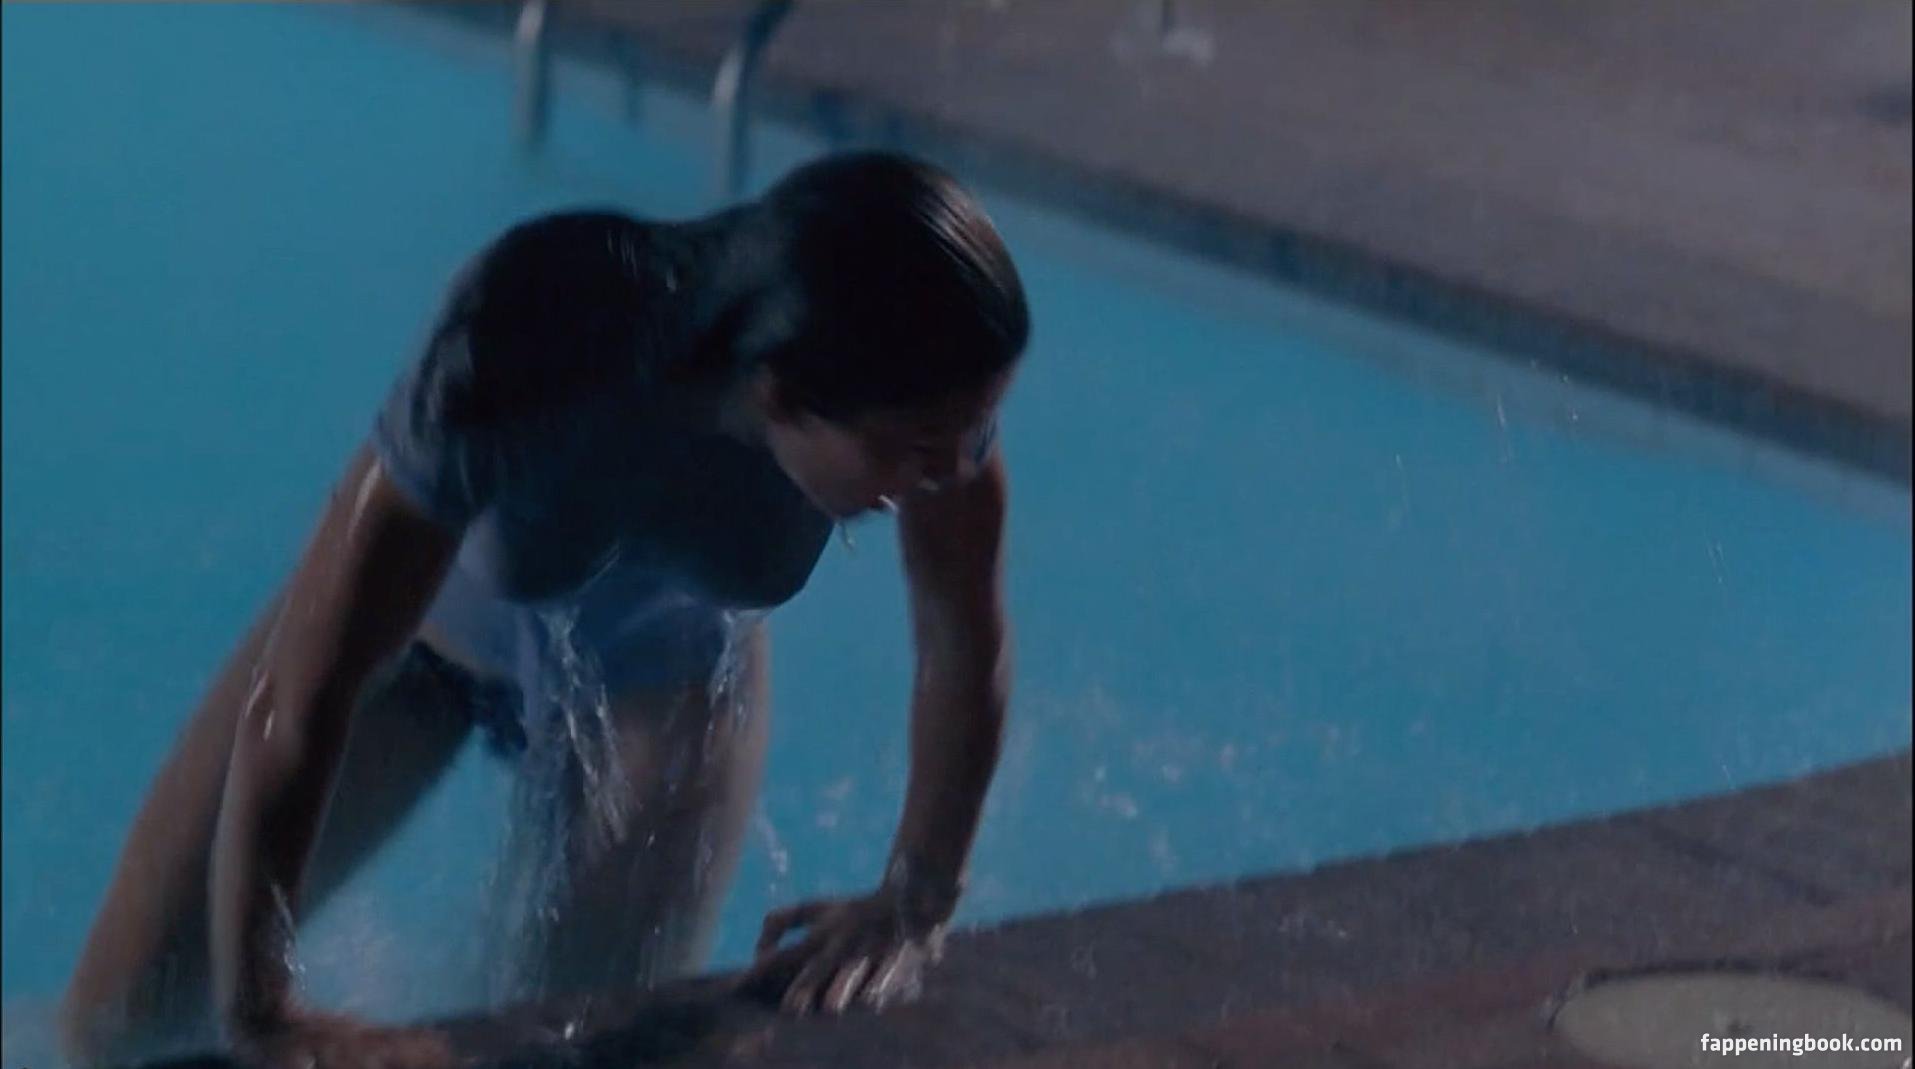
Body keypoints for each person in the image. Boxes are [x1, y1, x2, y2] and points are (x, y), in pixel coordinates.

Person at [57, 151, 1029, 1068]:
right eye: (917, 444)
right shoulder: (522, 345)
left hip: (667, 695)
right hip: (423, 655)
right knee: (120, 1028)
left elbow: (961, 640)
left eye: (972, 429)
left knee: (573, 1050)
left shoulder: (921, 393)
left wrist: (917, 895)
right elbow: (310, 691)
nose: (954, 466)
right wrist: (261, 1009)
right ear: (780, 391)